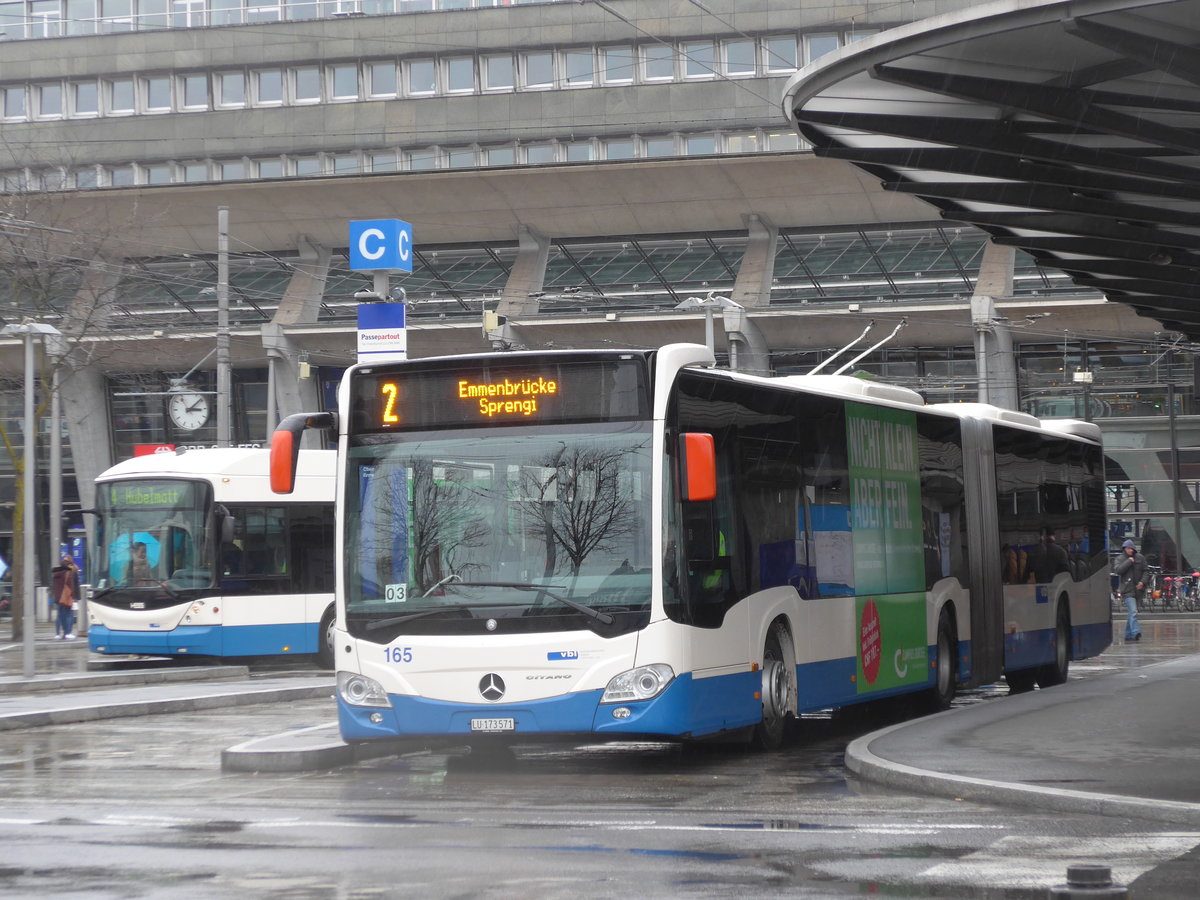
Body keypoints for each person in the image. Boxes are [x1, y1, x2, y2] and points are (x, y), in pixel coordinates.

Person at [1113, 538, 1145, 642]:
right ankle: (1136, 632)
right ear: (1124, 549)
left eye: (1131, 548)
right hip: (1127, 590)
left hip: (1138, 590)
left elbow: (1146, 571)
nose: (1130, 550)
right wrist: (1128, 562)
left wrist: (1143, 582)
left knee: (1131, 613)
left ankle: (1128, 635)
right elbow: (1118, 570)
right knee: (1133, 611)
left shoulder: (1140, 558)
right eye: (1128, 548)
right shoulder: (1120, 559)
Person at [50, 554, 80, 641]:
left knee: (59, 615)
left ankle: (58, 634)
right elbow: (74, 585)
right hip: (67, 596)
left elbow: (54, 585)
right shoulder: (72, 570)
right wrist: (75, 597)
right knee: (68, 614)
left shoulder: (56, 571)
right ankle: (68, 633)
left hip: (58, 596)